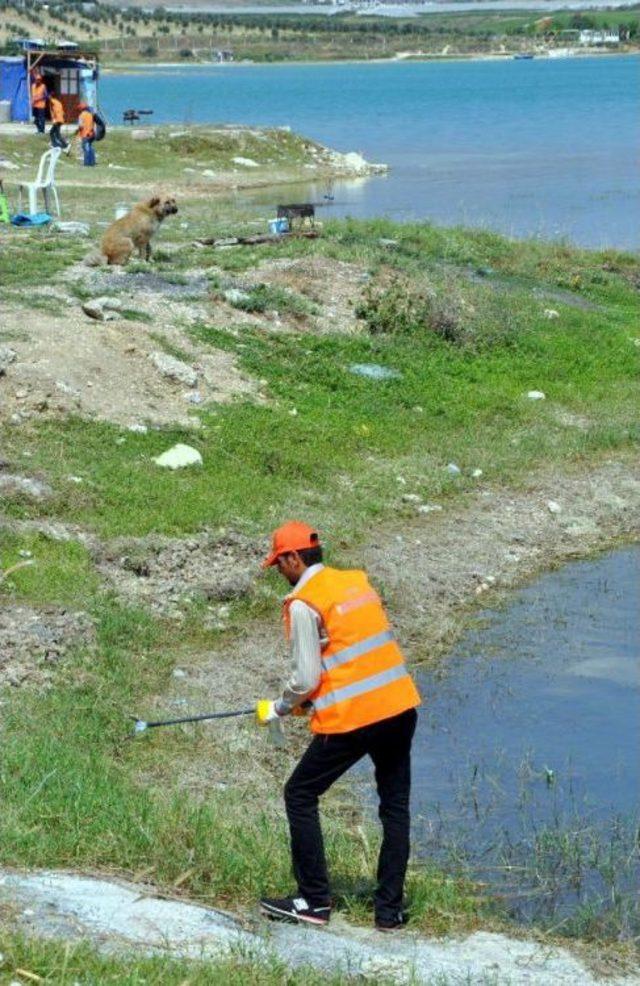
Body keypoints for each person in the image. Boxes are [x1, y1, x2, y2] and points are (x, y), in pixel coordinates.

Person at [257, 521, 421, 931]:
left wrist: (280, 707)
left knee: (299, 793)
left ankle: (313, 902)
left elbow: (305, 679)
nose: (279, 571)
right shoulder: (354, 582)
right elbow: (353, 652)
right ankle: (389, 913)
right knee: (395, 809)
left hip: (356, 719)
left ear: (294, 558)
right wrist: (306, 701)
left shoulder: (303, 601)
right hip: (401, 706)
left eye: (279, 563)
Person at [76, 102, 96, 166]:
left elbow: (81, 126)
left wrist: (77, 131)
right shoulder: (90, 115)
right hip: (91, 134)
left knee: (86, 148)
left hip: (85, 134)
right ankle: (92, 162)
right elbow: (93, 125)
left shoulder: (81, 115)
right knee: (90, 148)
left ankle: (86, 163)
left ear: (81, 109)